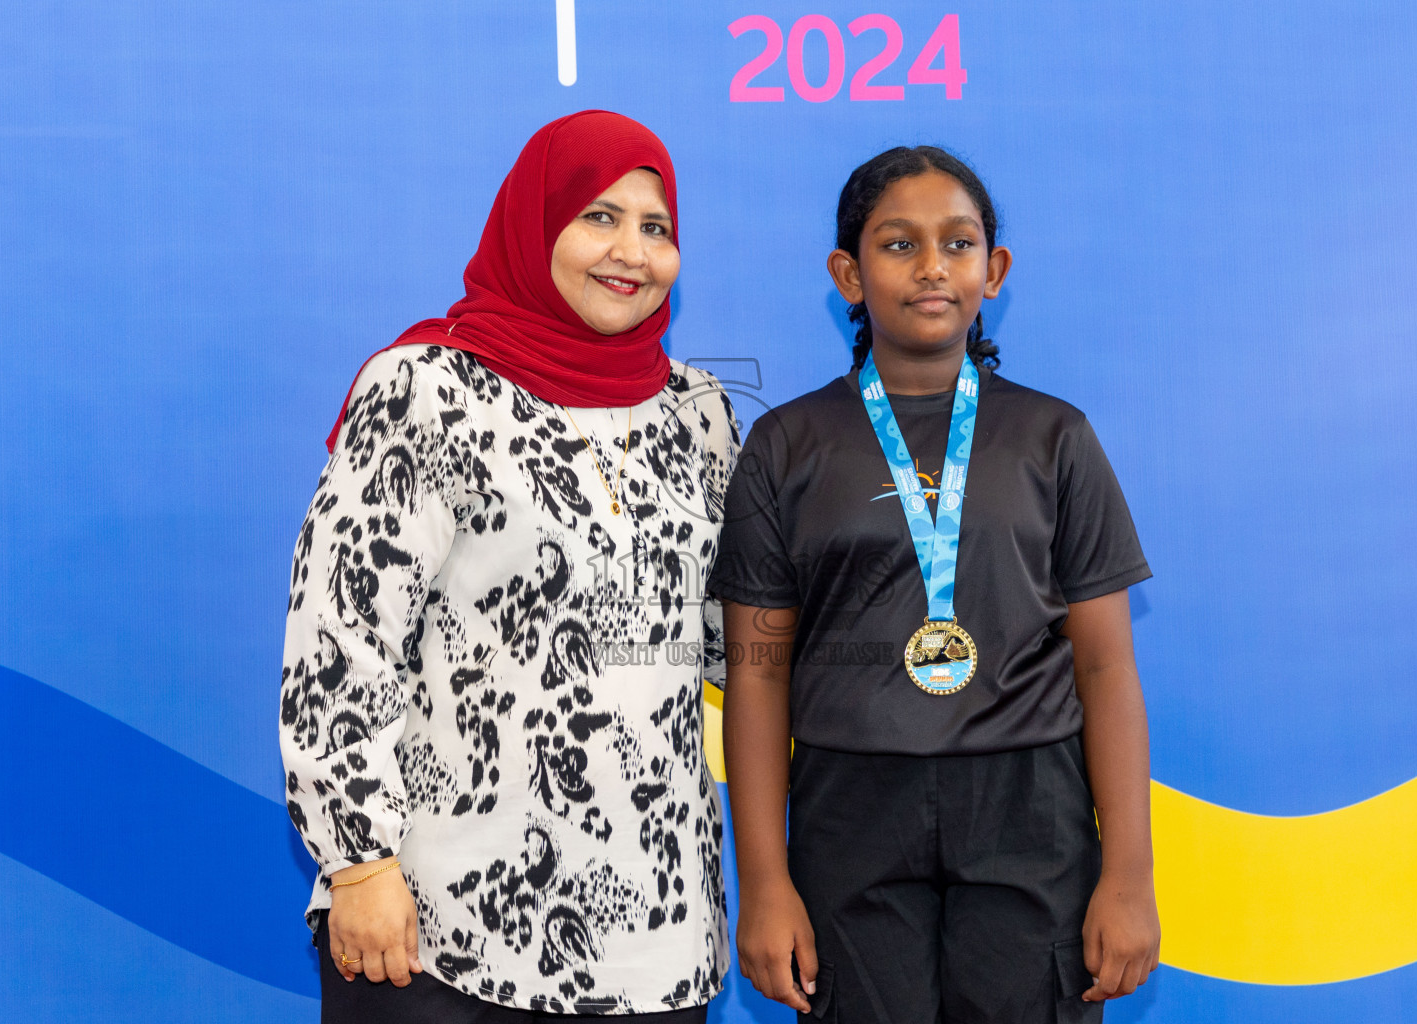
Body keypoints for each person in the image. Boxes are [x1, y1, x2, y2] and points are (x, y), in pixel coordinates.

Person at [280, 110, 738, 1024]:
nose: (632, 251)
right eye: (599, 217)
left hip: (657, 933)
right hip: (441, 928)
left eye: (657, 228)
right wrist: (362, 864)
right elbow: (338, 640)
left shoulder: (700, 412)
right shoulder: (429, 389)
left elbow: (732, 641)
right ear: (536, 225)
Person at [711, 146, 1160, 1023]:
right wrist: (763, 884)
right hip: (850, 809)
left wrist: (1129, 877)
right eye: (897, 244)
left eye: (958, 244)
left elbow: (1105, 669)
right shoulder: (787, 446)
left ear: (993, 271)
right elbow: (758, 671)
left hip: (1029, 808)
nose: (931, 267)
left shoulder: (1054, 438)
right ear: (848, 272)